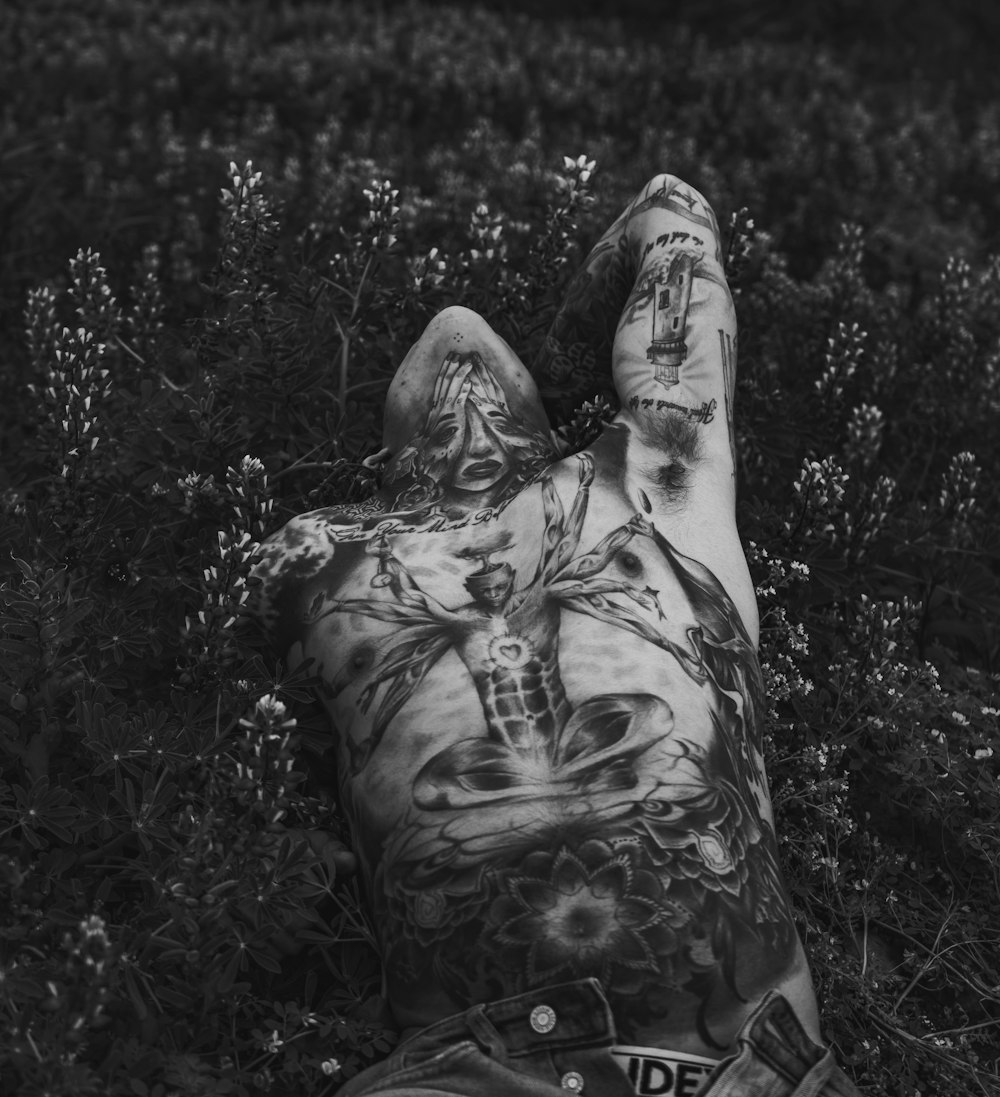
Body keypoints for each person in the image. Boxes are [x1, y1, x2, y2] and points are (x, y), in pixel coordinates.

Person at [250, 174, 863, 1096]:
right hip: (466, 1074)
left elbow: (673, 211)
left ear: (544, 424)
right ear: (384, 465)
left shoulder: (647, 480)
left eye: (491, 413)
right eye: (447, 425)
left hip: (735, 1067)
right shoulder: (317, 557)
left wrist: (582, 312)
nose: (468, 420)